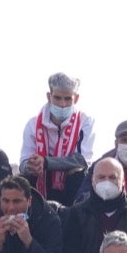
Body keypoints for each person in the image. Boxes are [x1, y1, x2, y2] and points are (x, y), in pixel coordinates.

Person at [20, 72, 94, 208]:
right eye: (58, 98)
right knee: (21, 180)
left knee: (78, 171)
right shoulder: (33, 123)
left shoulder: (85, 121)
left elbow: (81, 160)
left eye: (67, 99)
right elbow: (23, 163)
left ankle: (74, 213)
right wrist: (31, 166)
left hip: (71, 182)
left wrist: (47, 162)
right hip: (41, 179)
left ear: (76, 99)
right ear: (49, 97)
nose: (62, 104)